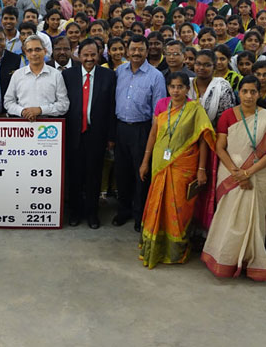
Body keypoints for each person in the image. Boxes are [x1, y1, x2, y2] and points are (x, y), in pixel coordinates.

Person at [138, 72, 215, 269]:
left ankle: (175, 251)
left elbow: (203, 140)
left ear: (187, 89)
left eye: (180, 87)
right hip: (160, 163)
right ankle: (154, 248)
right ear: (168, 88)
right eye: (172, 86)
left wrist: (201, 169)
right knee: (157, 204)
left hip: (185, 165)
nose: (176, 91)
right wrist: (145, 161)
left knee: (179, 209)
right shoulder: (161, 105)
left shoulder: (195, 109)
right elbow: (153, 134)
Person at [202, 76, 266, 281]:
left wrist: (248, 172)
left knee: (254, 218)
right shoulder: (228, 115)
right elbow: (220, 147)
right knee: (228, 217)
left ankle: (250, 260)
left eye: (253, 92)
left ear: (259, 93)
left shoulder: (265, 116)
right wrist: (237, 173)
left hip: (258, 173)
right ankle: (225, 258)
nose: (248, 96)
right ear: (239, 93)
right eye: (244, 91)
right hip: (230, 171)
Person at [114, 35, 167, 232]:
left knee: (141, 175)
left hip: (143, 130)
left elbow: (158, 111)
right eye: (133, 49)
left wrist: (154, 136)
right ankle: (123, 210)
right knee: (122, 172)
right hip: (121, 128)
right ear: (127, 51)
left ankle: (140, 215)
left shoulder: (156, 76)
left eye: (140, 49)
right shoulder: (119, 71)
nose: (136, 53)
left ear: (147, 51)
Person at [62, 39, 116, 229]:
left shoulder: (108, 76)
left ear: (99, 54)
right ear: (79, 55)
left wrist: (111, 137)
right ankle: (75, 212)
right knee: (75, 175)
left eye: (93, 54)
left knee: (94, 176)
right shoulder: (68, 75)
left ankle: (92, 213)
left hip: (97, 134)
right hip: (73, 134)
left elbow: (112, 107)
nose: (89, 58)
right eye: (85, 55)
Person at [4, 35, 69, 121]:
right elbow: (8, 102)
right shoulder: (17, 75)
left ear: (45, 51)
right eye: (30, 50)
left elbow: (64, 104)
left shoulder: (56, 75)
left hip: (49, 125)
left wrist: (41, 110)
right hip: (22, 124)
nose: (34, 53)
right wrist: (23, 111)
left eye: (37, 49)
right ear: (25, 53)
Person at [188, 50, 235, 128]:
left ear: (214, 67)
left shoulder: (222, 87)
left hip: (214, 132)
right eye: (198, 64)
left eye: (207, 65)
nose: (201, 68)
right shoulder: (187, 85)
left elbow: (225, 118)